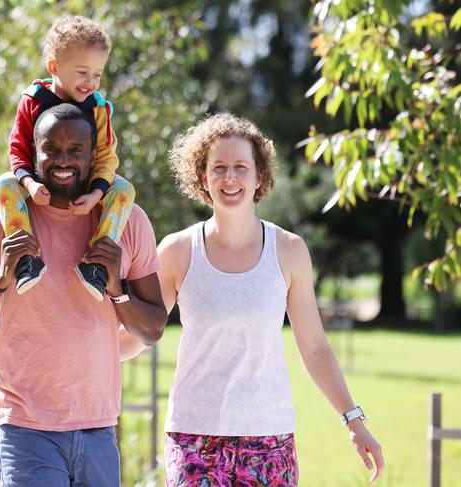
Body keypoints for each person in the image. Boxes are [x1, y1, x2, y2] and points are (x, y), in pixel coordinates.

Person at [0, 103, 167, 487]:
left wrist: (117, 289)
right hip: (25, 426)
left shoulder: (129, 221)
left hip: (99, 426)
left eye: (76, 150)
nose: (63, 160)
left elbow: (153, 329)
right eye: (51, 149)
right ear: (33, 152)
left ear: (94, 156)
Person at [156, 113, 384, 485]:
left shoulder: (289, 251)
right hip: (193, 438)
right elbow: (142, 331)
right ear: (202, 177)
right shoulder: (177, 251)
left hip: (269, 438)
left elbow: (314, 347)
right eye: (219, 167)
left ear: (259, 175)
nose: (230, 177)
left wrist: (353, 421)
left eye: (241, 167)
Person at [0, 15, 134, 300]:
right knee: (3, 185)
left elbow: (106, 156)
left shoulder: (98, 109)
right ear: (54, 67)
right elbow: (18, 148)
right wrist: (30, 184)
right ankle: (26, 260)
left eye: (98, 74)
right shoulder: (33, 100)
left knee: (124, 190)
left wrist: (97, 193)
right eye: (83, 73)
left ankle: (96, 264)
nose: (91, 82)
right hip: (39, 182)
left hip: (87, 184)